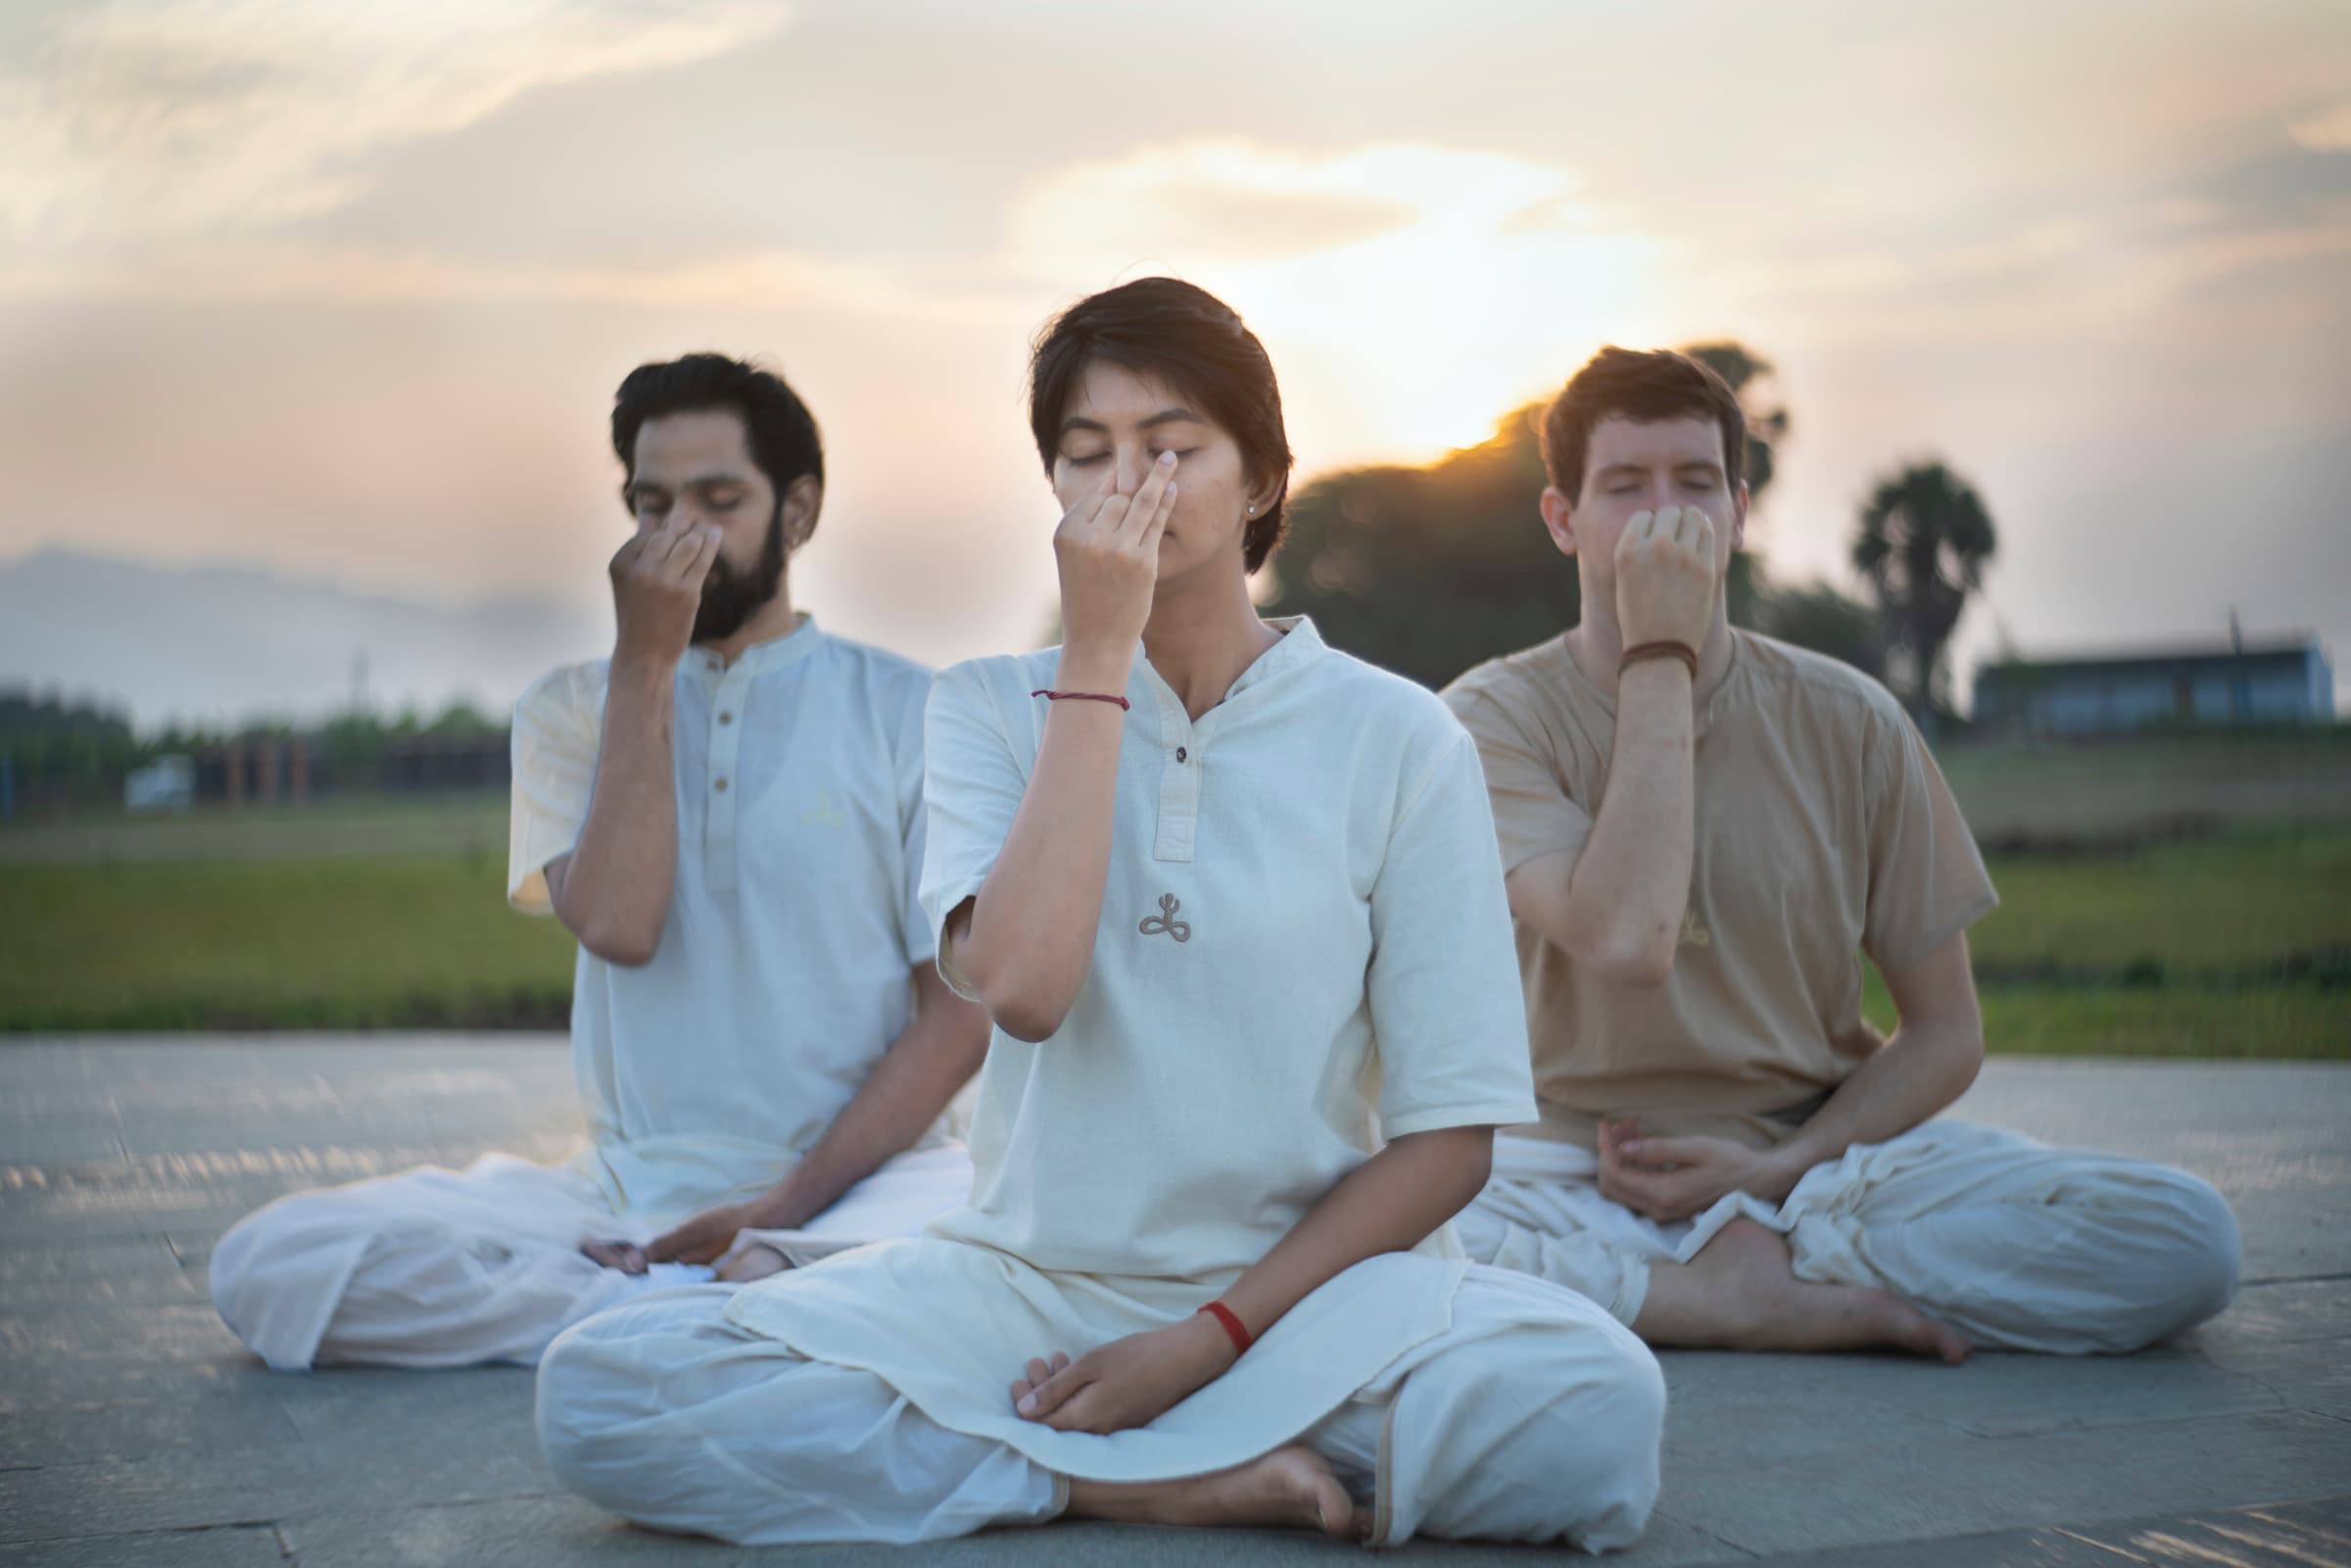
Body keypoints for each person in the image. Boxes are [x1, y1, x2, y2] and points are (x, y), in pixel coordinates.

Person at [534, 281, 1664, 1550]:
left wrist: (1207, 1339)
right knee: (605, 1388)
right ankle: (1122, 1478)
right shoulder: (982, 709)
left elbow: (1450, 1141)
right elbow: (1024, 987)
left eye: (1171, 447)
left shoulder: (1399, 736)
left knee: (1596, 1407)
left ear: (1260, 479)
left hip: (1306, 1302)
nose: (1127, 484)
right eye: (1086, 454)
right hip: (1023, 1284)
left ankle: (1073, 1440)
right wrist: (1096, 660)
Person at [1441, 346, 2241, 1359]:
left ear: (1739, 512)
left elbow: (1945, 1031)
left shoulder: (1852, 719)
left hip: (1815, 1163)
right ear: (1564, 518)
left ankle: (1730, 1275)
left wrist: (1780, 1169)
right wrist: (1659, 652)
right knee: (1365, 1241)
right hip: (1566, 1170)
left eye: (1696, 483)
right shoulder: (1485, 720)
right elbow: (1629, 936)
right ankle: (1728, 1293)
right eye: (1626, 485)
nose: (1665, 516)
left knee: (2187, 1238)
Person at [209, 354, 989, 1371]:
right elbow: (622, 922)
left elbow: (959, 1017)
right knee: (270, 1264)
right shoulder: (570, 708)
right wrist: (645, 665)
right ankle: (713, 1309)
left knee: (1002, 1227)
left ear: (797, 512)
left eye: (718, 501)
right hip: (627, 1194)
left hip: (867, 1186)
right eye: (652, 505)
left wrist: (784, 1209)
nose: (678, 536)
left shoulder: (910, 710)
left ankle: (696, 1303)